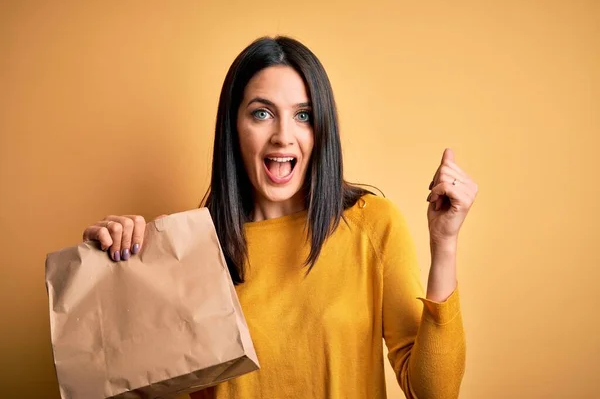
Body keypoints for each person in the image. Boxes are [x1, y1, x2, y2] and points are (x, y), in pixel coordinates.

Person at [82, 36, 478, 399]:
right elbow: (124, 381)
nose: (283, 136)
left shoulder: (372, 225)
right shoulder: (192, 247)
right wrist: (114, 273)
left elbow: (434, 393)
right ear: (234, 128)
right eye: (262, 114)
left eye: (303, 116)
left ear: (321, 129)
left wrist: (444, 244)